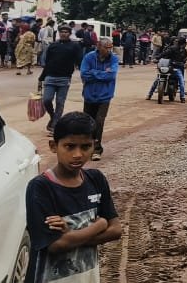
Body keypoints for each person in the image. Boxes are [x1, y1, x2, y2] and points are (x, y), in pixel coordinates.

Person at [24, 111, 122, 283]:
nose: (78, 154)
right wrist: (99, 225)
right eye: (70, 146)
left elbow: (115, 230)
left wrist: (71, 235)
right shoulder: (41, 187)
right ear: (54, 146)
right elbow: (55, 245)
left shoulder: (96, 180)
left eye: (85, 147)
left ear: (94, 145)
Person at [80, 38, 118, 161]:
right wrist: (102, 73)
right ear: (98, 46)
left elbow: (111, 75)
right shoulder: (89, 57)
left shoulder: (114, 59)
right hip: (89, 95)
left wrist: (93, 72)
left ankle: (97, 149)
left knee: (99, 121)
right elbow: (84, 74)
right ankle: (87, 146)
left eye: (110, 47)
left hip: (105, 96)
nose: (109, 50)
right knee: (88, 122)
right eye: (106, 47)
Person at [38, 25, 79, 134]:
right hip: (50, 77)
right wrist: (41, 78)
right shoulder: (53, 46)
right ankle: (53, 116)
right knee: (46, 100)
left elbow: (79, 61)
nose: (63, 34)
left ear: (69, 34)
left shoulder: (74, 46)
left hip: (64, 78)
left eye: (66, 32)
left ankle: (55, 125)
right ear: (59, 33)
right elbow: (47, 63)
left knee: (60, 103)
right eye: (61, 32)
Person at [148, 37, 187, 102]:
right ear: (183, 43)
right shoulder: (172, 48)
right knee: (158, 79)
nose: (175, 42)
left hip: (177, 68)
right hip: (169, 67)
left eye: (176, 41)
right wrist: (157, 58)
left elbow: (184, 58)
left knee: (181, 81)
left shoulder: (183, 50)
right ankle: (149, 94)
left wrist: (184, 62)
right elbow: (164, 54)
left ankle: (182, 97)